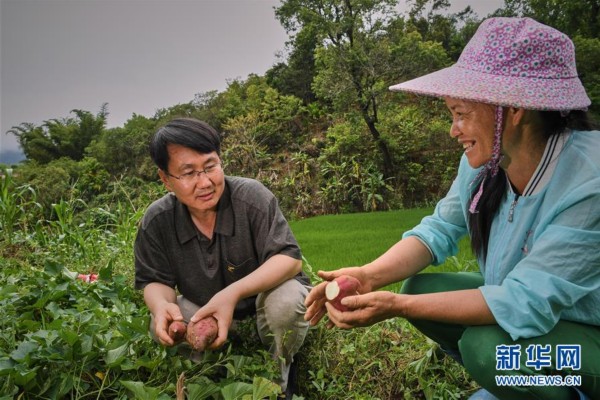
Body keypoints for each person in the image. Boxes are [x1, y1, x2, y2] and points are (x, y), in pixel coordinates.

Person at [304, 17, 599, 400]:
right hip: (550, 322)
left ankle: (557, 393)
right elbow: (438, 230)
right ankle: (526, 385)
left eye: (460, 113)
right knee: (426, 289)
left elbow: (523, 300)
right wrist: (369, 276)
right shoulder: (487, 164)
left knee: (486, 350)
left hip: (589, 334)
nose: (453, 130)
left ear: (512, 110)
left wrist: (397, 306)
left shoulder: (589, 180)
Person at [134, 118, 311, 396]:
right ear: (166, 179)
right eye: (189, 173)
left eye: (210, 166)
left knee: (286, 303)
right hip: (206, 310)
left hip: (263, 304)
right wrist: (160, 307)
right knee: (168, 323)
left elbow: (289, 259)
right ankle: (210, 378)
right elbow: (154, 280)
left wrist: (231, 294)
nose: (204, 182)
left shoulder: (251, 197)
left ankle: (281, 376)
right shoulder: (157, 220)